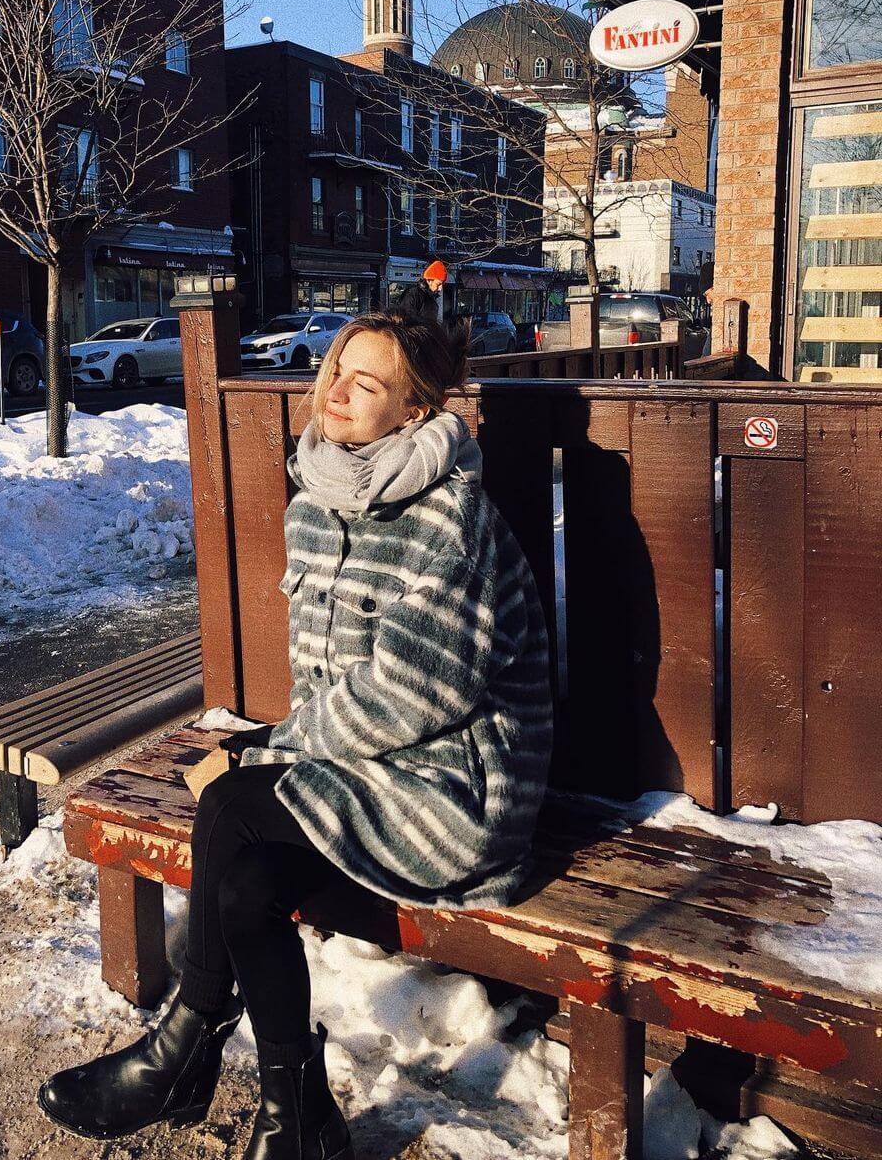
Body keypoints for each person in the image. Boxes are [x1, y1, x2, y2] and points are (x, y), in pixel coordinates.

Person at [38, 311, 554, 1158]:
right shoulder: (315, 499)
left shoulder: (449, 521)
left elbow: (408, 695)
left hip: (454, 792)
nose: (338, 389)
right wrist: (272, 750)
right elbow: (329, 686)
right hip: (366, 776)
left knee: (236, 800)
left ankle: (183, 1046)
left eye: (368, 382)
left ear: (414, 415)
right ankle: (302, 1120)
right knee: (243, 889)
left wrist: (265, 754)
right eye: (337, 368)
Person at [397, 259, 448, 324]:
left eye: (442, 285)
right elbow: (406, 318)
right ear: (429, 281)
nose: (440, 289)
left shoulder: (431, 298)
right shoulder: (413, 294)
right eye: (438, 284)